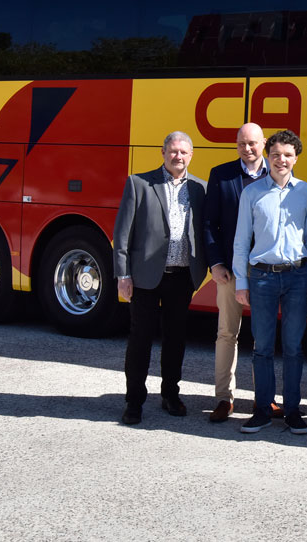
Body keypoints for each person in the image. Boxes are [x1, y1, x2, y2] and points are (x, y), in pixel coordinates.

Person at [113, 131, 207, 425]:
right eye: (173, 151)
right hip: (145, 277)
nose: (178, 156)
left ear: (191, 155)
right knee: (140, 339)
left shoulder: (200, 188)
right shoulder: (139, 183)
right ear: (163, 153)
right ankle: (134, 402)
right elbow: (122, 233)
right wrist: (123, 274)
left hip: (182, 276)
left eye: (183, 152)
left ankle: (170, 394)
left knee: (176, 339)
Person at [232, 130, 307, 435]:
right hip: (262, 277)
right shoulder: (252, 193)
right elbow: (241, 241)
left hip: (296, 277)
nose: (282, 160)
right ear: (268, 156)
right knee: (262, 347)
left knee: (293, 347)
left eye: (288, 155)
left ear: (296, 158)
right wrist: (242, 282)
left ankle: (292, 410)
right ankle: (262, 410)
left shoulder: (306, 192)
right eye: (276, 154)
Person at [203, 122, 283, 423]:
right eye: (241, 144)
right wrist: (216, 263)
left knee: (264, 337)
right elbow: (209, 224)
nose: (247, 149)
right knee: (227, 333)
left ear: (263, 143)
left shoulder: (276, 173)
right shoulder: (222, 175)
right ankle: (224, 398)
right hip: (230, 270)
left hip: (266, 271)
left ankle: (266, 399)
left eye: (252, 143)